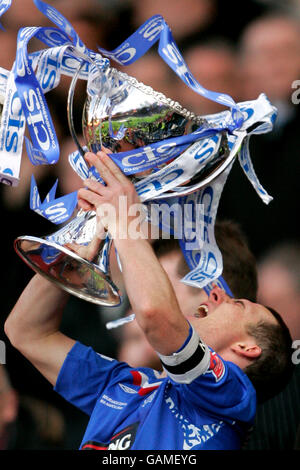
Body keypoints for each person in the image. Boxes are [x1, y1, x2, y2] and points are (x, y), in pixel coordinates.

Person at [5, 150, 295, 450]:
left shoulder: (233, 397)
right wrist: (76, 248)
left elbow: (156, 316)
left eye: (238, 304)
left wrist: (125, 221)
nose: (217, 293)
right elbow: (26, 331)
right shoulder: (132, 385)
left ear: (247, 348)